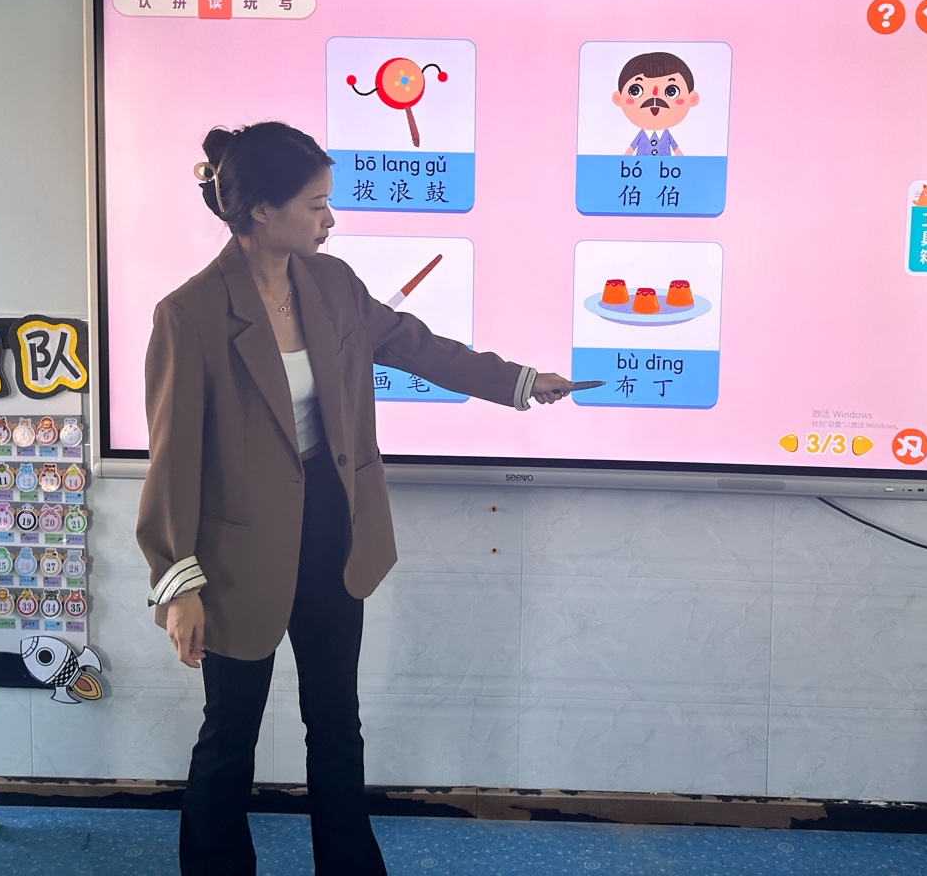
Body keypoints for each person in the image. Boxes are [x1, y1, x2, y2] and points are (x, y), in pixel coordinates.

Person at [135, 121, 571, 875]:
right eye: (316, 205)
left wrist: (518, 382)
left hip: (334, 530)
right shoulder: (190, 314)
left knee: (336, 722)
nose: (330, 220)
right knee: (229, 734)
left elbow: (412, 344)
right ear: (263, 211)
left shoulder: (331, 284)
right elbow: (173, 458)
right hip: (236, 553)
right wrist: (180, 583)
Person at [611, 50, 700, 158]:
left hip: (667, 167)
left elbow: (676, 150)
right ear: (618, 98)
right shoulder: (642, 135)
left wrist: (685, 163)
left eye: (671, 91)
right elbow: (630, 150)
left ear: (692, 99)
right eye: (635, 91)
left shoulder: (667, 136)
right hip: (639, 166)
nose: (655, 94)